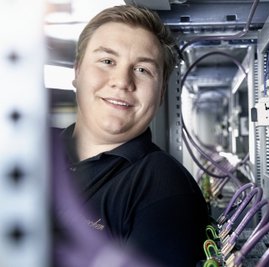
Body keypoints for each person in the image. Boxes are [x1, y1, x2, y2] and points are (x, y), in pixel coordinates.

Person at [58, 4, 209, 267]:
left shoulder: (162, 188)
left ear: (161, 92)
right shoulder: (29, 149)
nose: (122, 81)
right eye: (107, 61)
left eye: (142, 69)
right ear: (77, 72)